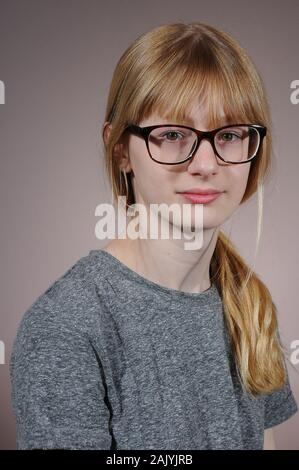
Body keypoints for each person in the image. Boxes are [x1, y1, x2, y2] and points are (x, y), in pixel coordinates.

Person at [10, 21, 297, 450]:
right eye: (173, 135)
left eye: (231, 134)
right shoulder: (66, 328)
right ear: (120, 149)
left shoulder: (251, 306)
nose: (205, 163)